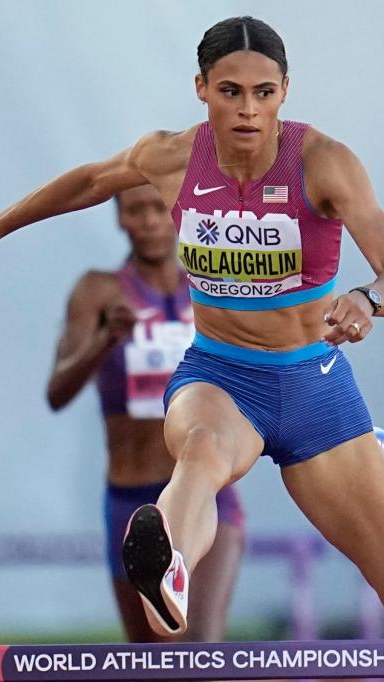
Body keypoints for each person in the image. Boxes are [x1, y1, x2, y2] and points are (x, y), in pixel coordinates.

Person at [0, 15, 384, 638]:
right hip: (221, 375)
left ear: (285, 89)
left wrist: (367, 298)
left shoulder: (325, 163)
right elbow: (90, 181)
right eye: (230, 91)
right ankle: (167, 562)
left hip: (313, 383)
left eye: (264, 93)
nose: (248, 111)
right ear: (202, 88)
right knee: (199, 453)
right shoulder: (173, 156)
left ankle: (372, 448)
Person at [46, 185, 244, 642]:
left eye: (160, 209)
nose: (151, 221)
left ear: (179, 215)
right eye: (136, 210)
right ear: (119, 218)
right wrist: (104, 340)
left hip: (206, 492)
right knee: (151, 659)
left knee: (200, 651)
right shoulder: (99, 290)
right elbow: (57, 391)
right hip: (132, 500)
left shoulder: (212, 292)